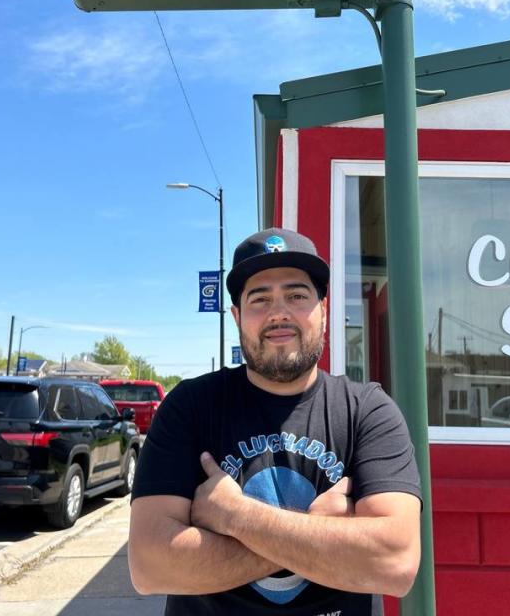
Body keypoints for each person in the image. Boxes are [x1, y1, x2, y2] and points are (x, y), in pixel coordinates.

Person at [129, 227, 422, 615]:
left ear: (323, 308)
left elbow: (395, 564)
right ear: (237, 316)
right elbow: (150, 566)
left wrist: (233, 516)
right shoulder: (189, 407)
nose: (278, 312)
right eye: (259, 298)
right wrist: (322, 534)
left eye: (297, 295)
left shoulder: (367, 411)